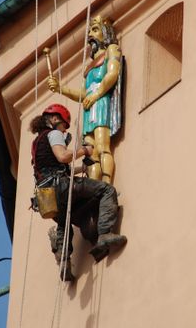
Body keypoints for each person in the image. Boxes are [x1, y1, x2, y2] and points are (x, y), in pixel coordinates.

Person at [30, 103, 127, 282]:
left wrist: (82, 168)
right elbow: (63, 156)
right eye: (63, 126)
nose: (64, 131)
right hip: (62, 187)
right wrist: (85, 150)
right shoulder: (53, 134)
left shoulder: (37, 143)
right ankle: (105, 233)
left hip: (47, 197)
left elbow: (55, 166)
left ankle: (64, 261)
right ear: (54, 119)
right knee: (107, 190)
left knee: (63, 221)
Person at [48, 15, 123, 183]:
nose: (90, 34)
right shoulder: (89, 66)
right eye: (89, 30)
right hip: (89, 107)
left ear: (106, 32)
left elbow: (112, 74)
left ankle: (106, 183)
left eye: (95, 29)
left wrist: (96, 95)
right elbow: (83, 94)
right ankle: (94, 185)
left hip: (100, 103)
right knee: (91, 152)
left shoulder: (111, 49)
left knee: (103, 147)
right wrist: (61, 88)